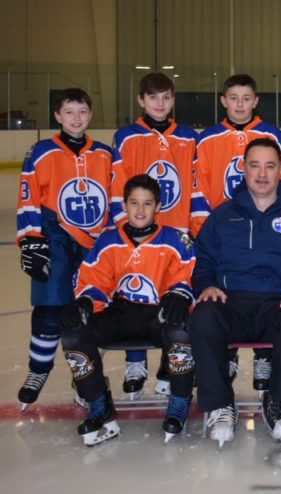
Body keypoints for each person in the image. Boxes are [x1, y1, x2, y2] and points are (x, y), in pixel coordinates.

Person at [189, 138, 281, 447]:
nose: (262, 173)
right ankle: (221, 403)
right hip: (232, 302)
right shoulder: (222, 216)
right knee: (203, 316)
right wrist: (207, 285)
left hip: (279, 302)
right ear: (243, 169)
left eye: (270, 166)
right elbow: (203, 260)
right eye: (255, 165)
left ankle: (276, 400)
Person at [59, 174, 196, 445]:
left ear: (158, 206)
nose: (141, 210)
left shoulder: (175, 240)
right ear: (125, 205)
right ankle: (99, 404)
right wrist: (86, 300)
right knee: (74, 334)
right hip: (120, 313)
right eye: (134, 203)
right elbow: (93, 278)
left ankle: (179, 401)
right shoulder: (109, 241)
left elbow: (186, 275)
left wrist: (180, 293)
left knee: (181, 330)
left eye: (147, 203)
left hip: (157, 315)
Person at [16, 88, 118, 411]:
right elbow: (28, 195)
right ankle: (38, 371)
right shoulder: (41, 152)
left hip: (95, 243)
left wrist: (118, 238)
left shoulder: (105, 154)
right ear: (58, 117)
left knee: (93, 310)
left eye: (83, 111)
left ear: (90, 115)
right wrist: (31, 239)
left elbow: (116, 199)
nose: (77, 118)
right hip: (56, 237)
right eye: (69, 112)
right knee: (49, 308)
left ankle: (83, 374)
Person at [194, 73, 281, 393]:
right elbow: (200, 185)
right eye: (233, 98)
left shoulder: (272, 135)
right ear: (223, 101)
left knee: (264, 290)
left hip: (264, 222)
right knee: (225, 293)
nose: (239, 104)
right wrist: (202, 227)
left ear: (256, 101)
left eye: (246, 98)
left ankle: (265, 355)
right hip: (227, 230)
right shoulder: (207, 138)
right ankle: (229, 353)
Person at [111, 72, 202, 399]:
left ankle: (168, 362)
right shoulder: (126, 137)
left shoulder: (189, 137)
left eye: (166, 97)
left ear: (173, 99)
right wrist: (124, 230)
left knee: (172, 299)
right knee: (134, 295)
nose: (160, 104)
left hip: (175, 235)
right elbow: (118, 184)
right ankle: (136, 362)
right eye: (153, 98)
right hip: (137, 234)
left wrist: (195, 229)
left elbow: (195, 185)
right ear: (141, 101)